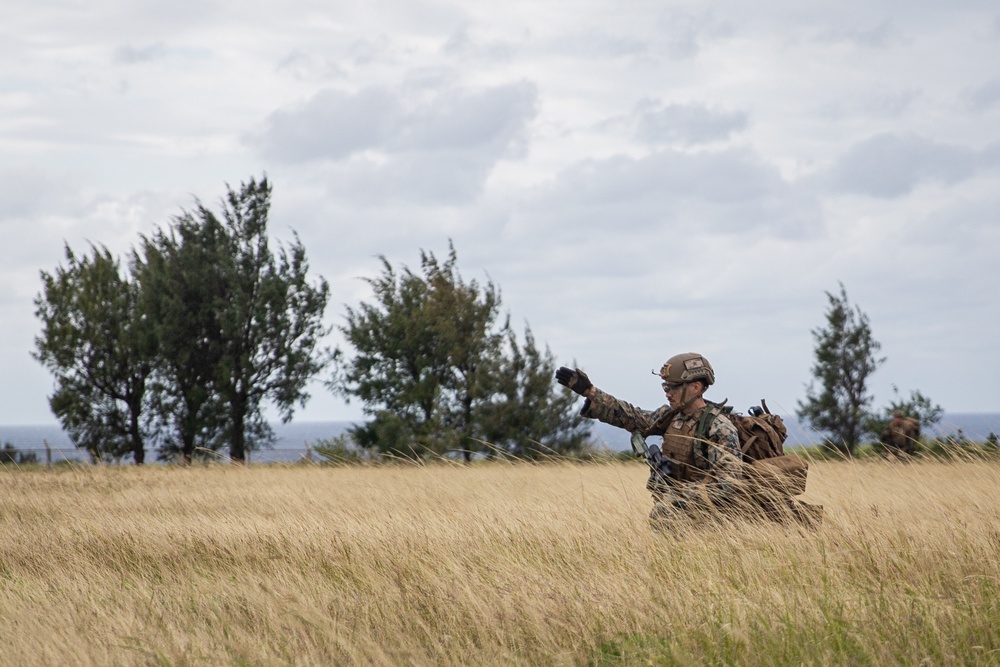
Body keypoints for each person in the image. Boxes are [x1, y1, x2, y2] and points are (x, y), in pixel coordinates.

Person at [556, 352, 745, 530]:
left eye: (673, 387)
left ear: (695, 387)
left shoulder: (719, 428)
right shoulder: (671, 416)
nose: (667, 393)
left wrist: (679, 496)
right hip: (679, 518)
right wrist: (590, 392)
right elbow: (631, 416)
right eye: (665, 387)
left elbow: (729, 485)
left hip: (712, 524)